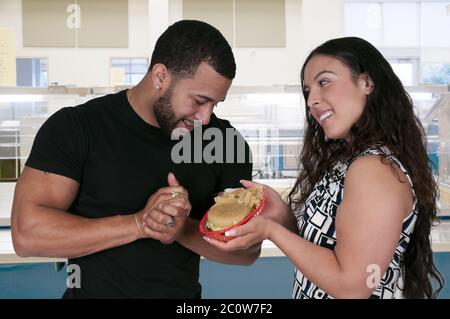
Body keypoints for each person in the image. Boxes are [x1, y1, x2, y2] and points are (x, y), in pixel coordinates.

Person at [10, 20, 262, 298]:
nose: (205, 118)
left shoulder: (225, 142)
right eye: (199, 100)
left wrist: (182, 230)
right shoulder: (77, 127)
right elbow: (27, 234)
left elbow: (246, 252)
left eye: (215, 104)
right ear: (160, 76)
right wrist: (140, 224)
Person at [206, 37, 445, 299]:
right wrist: (280, 214)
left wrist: (270, 230)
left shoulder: (373, 169)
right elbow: (323, 250)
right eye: (308, 90)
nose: (311, 101)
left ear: (367, 82)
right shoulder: (348, 161)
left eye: (324, 82)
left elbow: (353, 286)